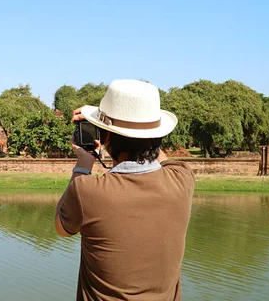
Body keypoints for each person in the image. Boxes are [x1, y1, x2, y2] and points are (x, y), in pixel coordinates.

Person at [55, 79, 195, 301]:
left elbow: (62, 228)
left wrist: (84, 161)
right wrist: (120, 124)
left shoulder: (87, 190)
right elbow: (159, 155)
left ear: (107, 137)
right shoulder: (182, 178)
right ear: (157, 135)